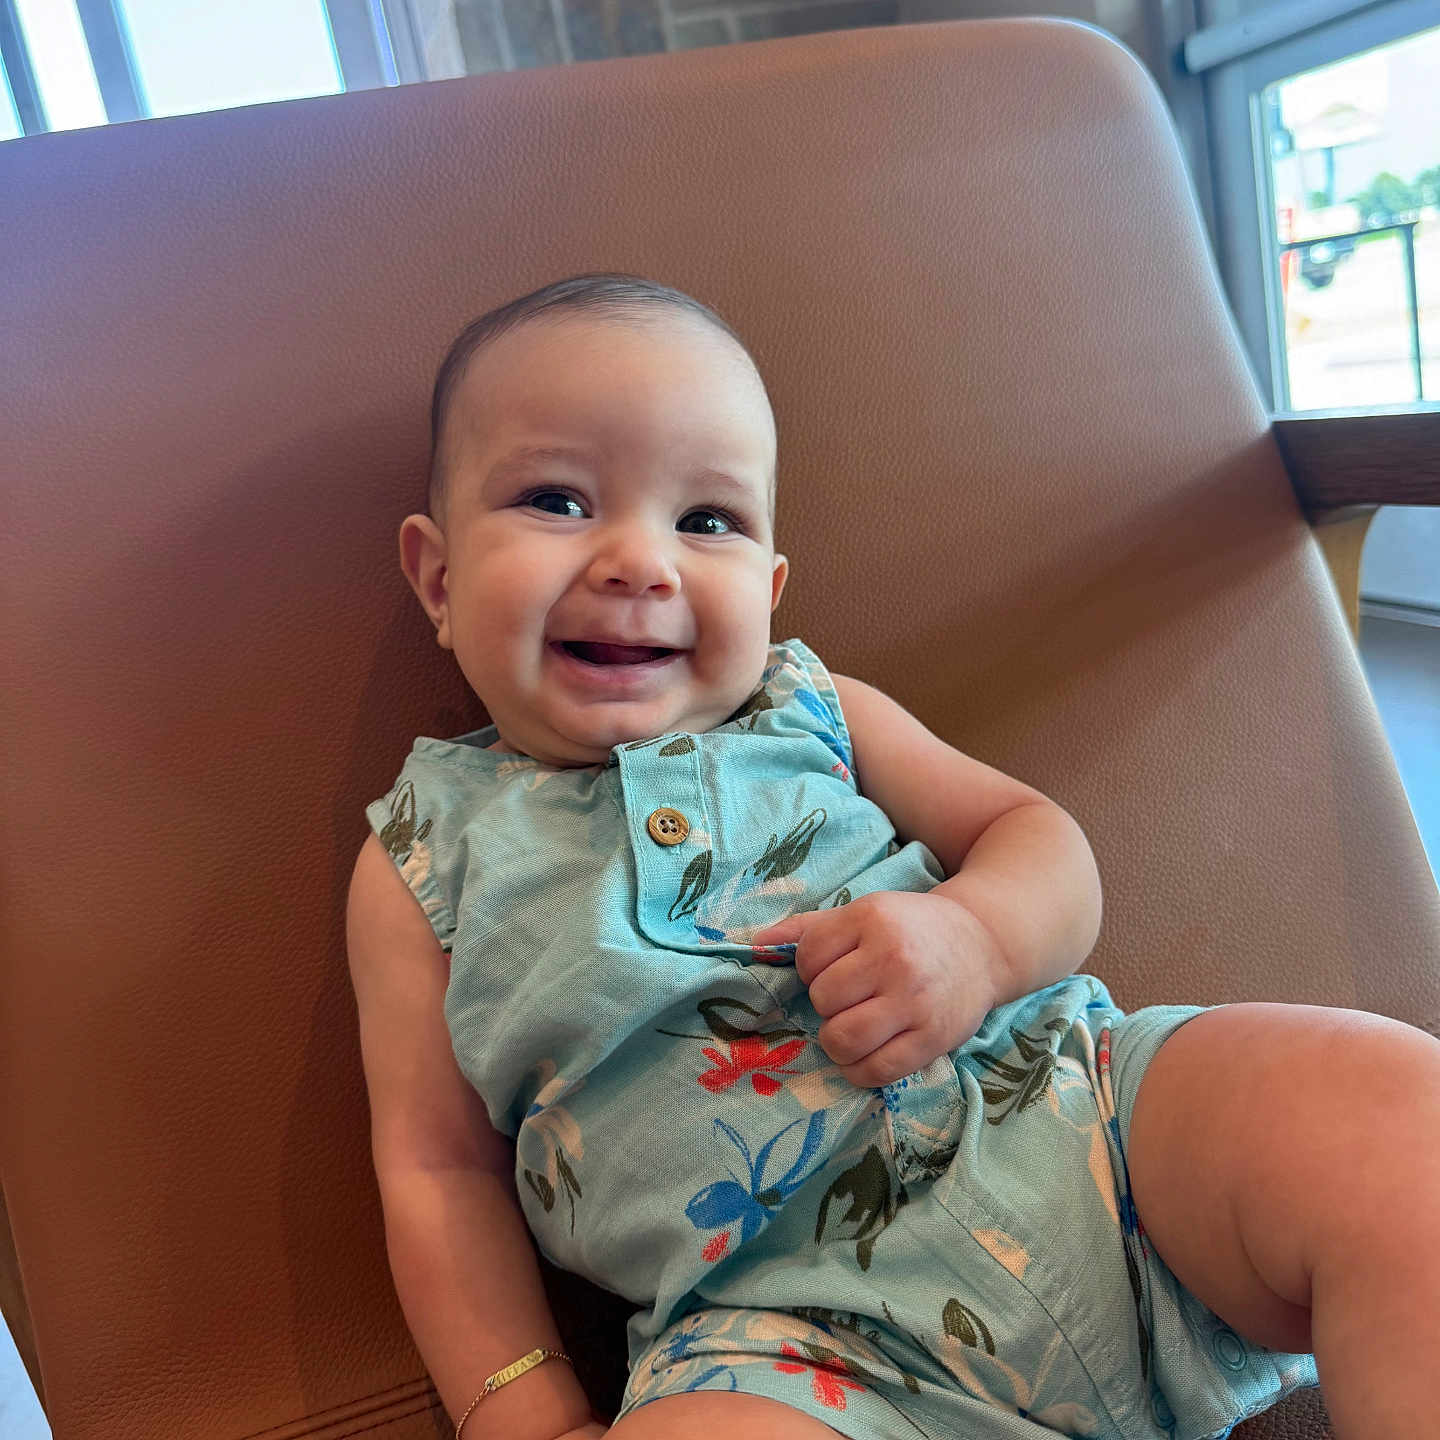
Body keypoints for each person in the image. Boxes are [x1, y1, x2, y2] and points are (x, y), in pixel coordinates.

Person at [346, 273, 1438, 1440]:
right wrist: (523, 1411)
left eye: (705, 520)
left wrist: (974, 935)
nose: (640, 562)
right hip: (784, 1340)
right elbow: (437, 1172)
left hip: (1088, 1128)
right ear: (441, 580)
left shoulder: (816, 708)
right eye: (557, 500)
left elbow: (1042, 842)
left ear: (768, 591)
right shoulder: (421, 856)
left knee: (1390, 1122)